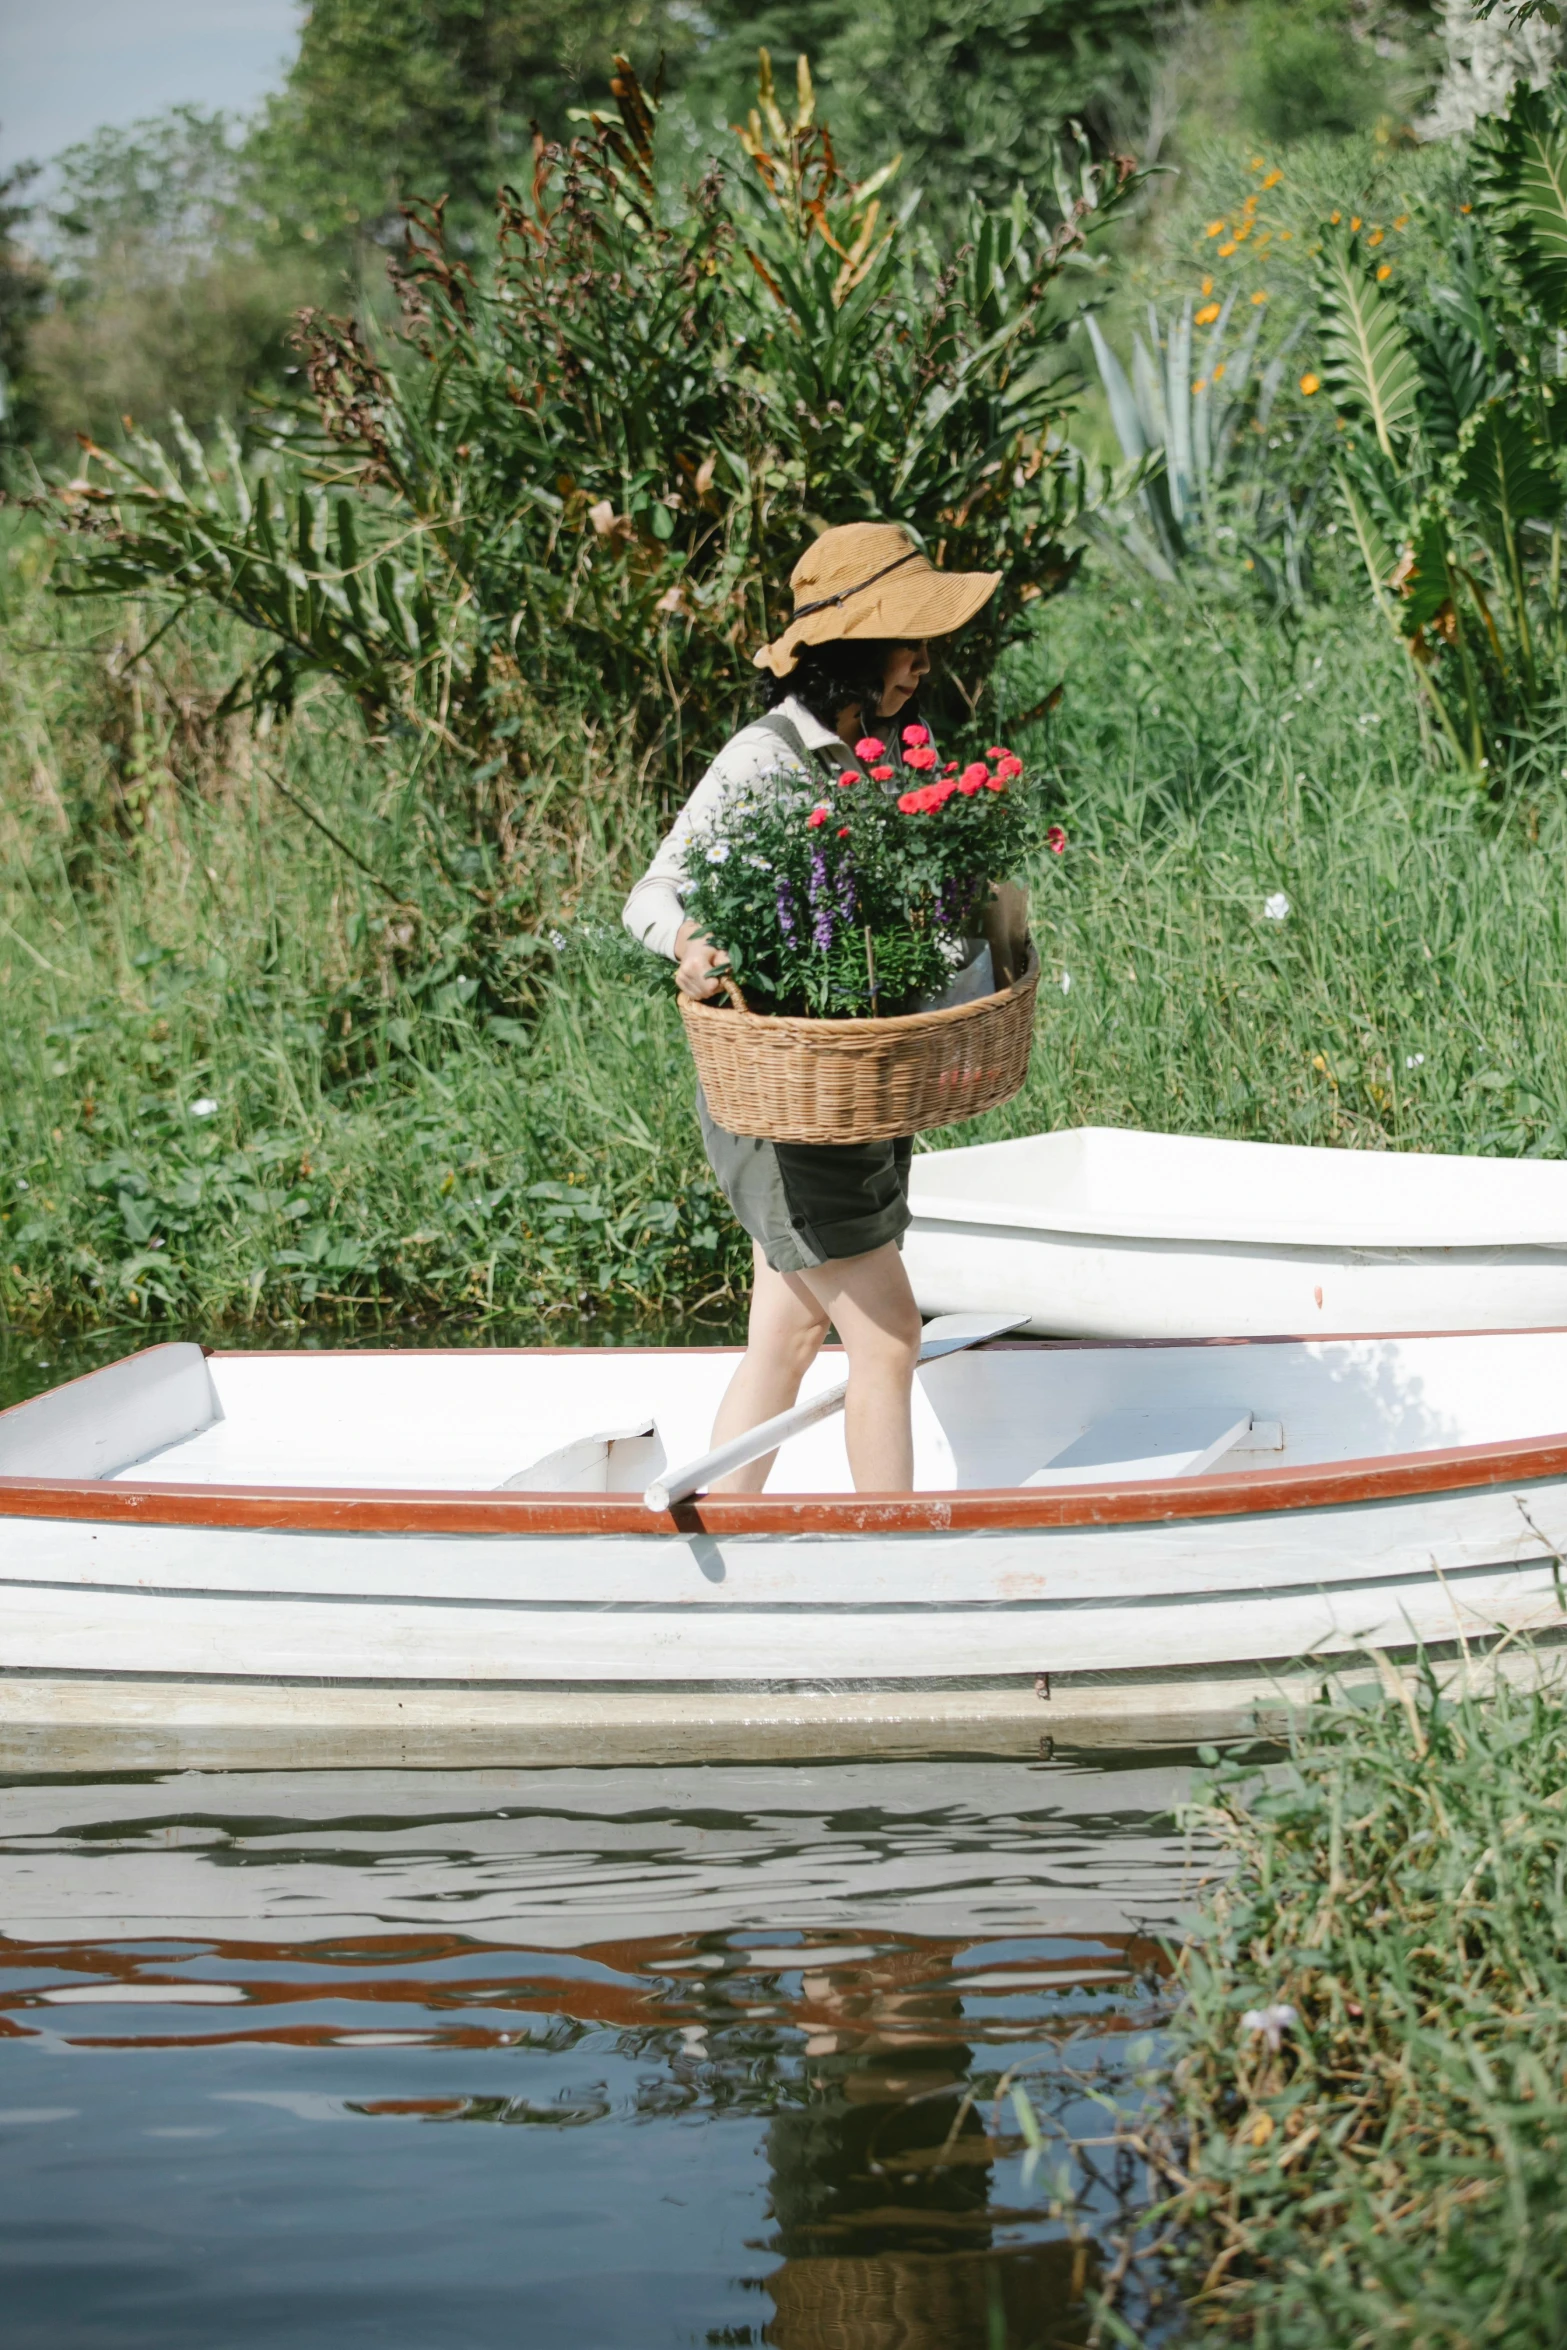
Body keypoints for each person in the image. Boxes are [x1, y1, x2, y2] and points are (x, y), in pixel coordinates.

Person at [622, 521, 1000, 1495]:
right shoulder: (766, 757)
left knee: (785, 1338)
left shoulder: (863, 758)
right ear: (854, 652)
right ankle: (886, 1565)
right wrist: (692, 946)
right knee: (888, 1336)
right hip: (787, 1105)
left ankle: (715, 1542)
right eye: (906, 642)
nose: (922, 662)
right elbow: (649, 896)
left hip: (852, 1094)